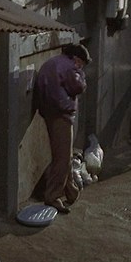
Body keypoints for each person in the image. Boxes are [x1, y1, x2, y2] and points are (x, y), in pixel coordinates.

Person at [33, 43, 91, 214]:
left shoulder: (54, 62)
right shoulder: (70, 67)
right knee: (63, 158)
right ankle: (53, 197)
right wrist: (81, 74)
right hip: (61, 114)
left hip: (49, 112)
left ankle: (71, 191)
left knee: (63, 155)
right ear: (77, 59)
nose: (81, 67)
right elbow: (78, 87)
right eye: (82, 64)